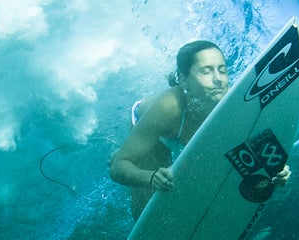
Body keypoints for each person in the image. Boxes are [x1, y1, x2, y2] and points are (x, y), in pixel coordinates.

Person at [108, 40, 286, 216]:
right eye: (206, 71)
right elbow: (118, 169)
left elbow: (258, 148)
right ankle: (131, 148)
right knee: (150, 196)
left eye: (222, 70)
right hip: (157, 129)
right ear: (184, 80)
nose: (218, 80)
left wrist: (278, 170)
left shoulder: (235, 102)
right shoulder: (168, 106)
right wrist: (151, 178)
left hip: (185, 130)